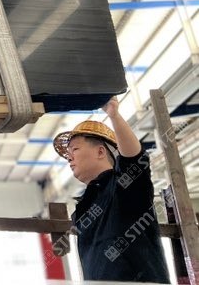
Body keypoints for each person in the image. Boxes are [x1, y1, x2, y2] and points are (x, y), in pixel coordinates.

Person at [53, 96, 169, 283]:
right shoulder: (85, 205)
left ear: (100, 152)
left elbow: (135, 159)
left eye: (74, 149)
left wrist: (114, 115)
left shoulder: (123, 186)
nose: (69, 158)